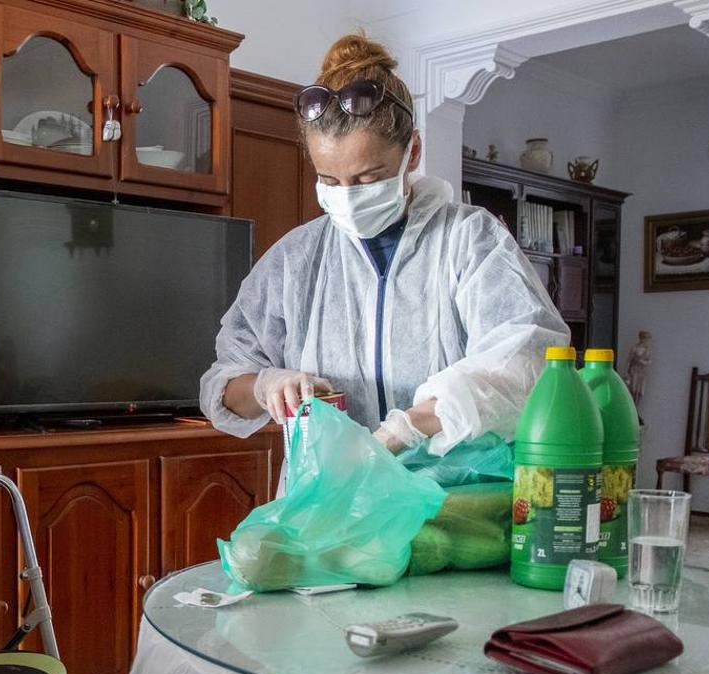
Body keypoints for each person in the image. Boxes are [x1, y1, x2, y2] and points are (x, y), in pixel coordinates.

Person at [200, 33, 569, 459]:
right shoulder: (296, 259)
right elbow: (222, 386)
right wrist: (268, 386)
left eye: (367, 178)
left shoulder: (469, 241)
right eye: (329, 180)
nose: (347, 195)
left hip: (446, 502)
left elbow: (528, 363)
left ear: (412, 151)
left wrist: (409, 429)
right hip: (332, 499)